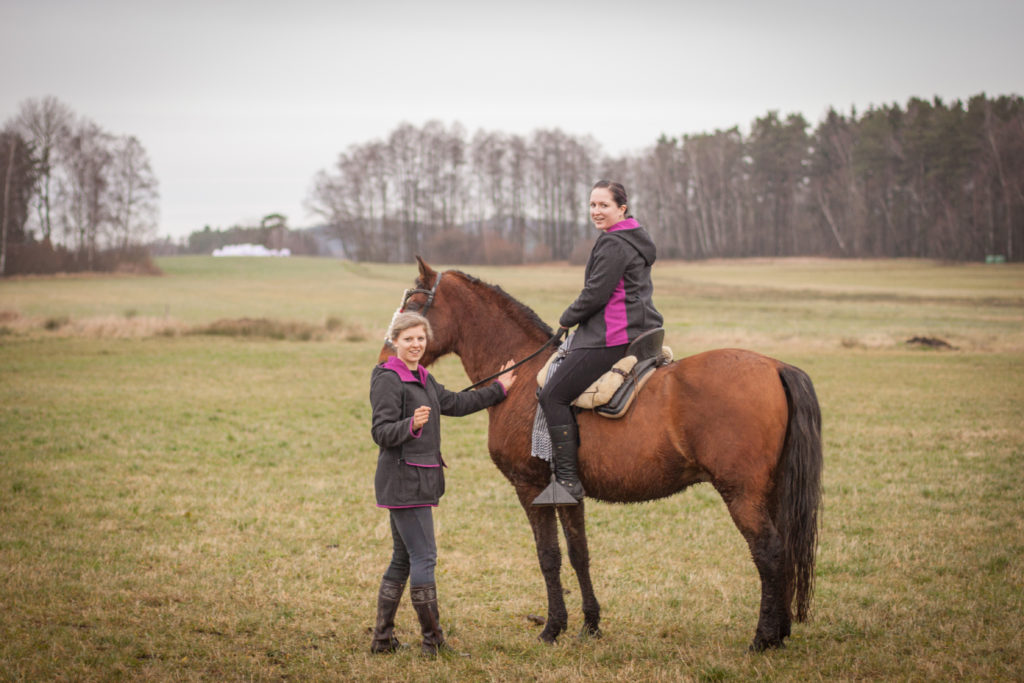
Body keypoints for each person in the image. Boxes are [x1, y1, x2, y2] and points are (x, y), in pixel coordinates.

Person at [368, 311, 516, 656]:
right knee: (424, 557)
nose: (416, 345)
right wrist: (411, 425)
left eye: (421, 338)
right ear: (395, 342)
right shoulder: (388, 378)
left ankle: (382, 639)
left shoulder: (423, 377)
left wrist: (499, 389)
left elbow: (456, 403)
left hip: (419, 478)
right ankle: (433, 643)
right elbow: (380, 432)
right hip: (404, 479)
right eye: (408, 339)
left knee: (403, 559)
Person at [533, 180, 663, 506]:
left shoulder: (614, 244)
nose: (596, 212)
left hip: (613, 335)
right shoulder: (632, 238)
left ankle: (567, 482)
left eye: (603, 205)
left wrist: (566, 318)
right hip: (642, 329)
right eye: (592, 205)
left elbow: (595, 294)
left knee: (553, 394)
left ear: (622, 208)